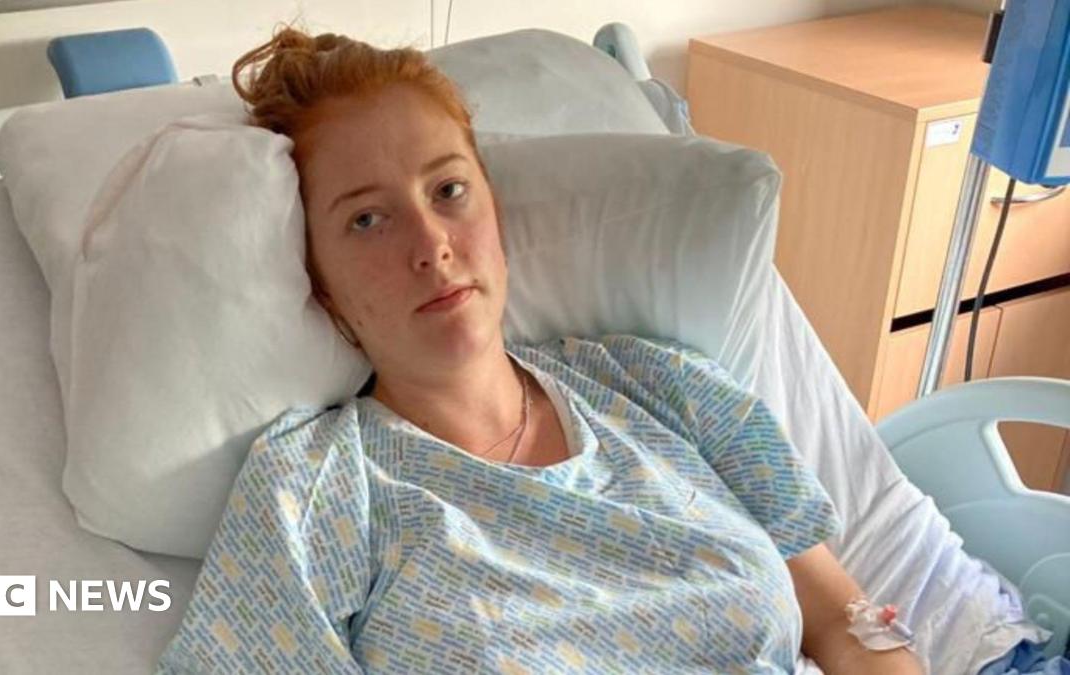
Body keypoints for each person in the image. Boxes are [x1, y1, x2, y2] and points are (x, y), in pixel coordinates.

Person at [156, 27, 925, 674]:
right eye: (366, 220)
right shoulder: (315, 487)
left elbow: (843, 619)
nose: (431, 245)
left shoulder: (661, 385)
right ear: (320, 283)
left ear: (494, 207)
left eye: (448, 190)